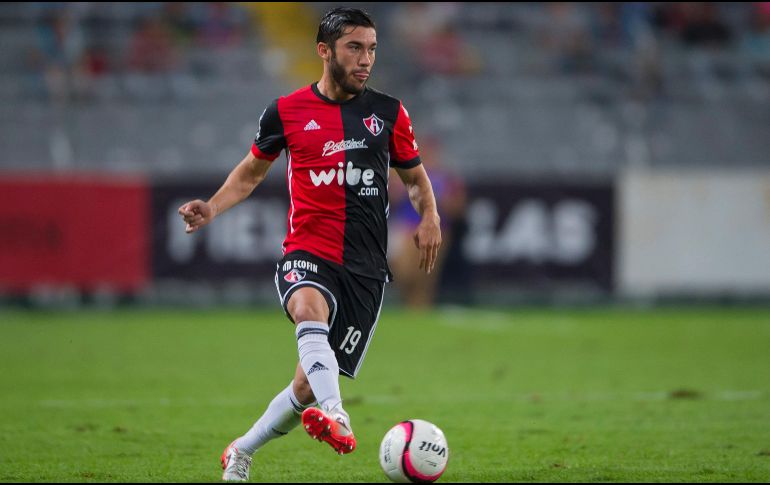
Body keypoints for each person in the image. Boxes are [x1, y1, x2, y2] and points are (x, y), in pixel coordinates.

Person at [177, 7, 441, 482]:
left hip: (365, 270)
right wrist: (212, 208)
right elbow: (250, 173)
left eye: (372, 49)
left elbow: (416, 180)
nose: (366, 59)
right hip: (308, 251)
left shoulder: (389, 113)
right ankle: (338, 415)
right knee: (307, 307)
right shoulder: (285, 111)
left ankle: (242, 449)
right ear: (324, 50)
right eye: (354, 48)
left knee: (305, 386)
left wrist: (430, 216)